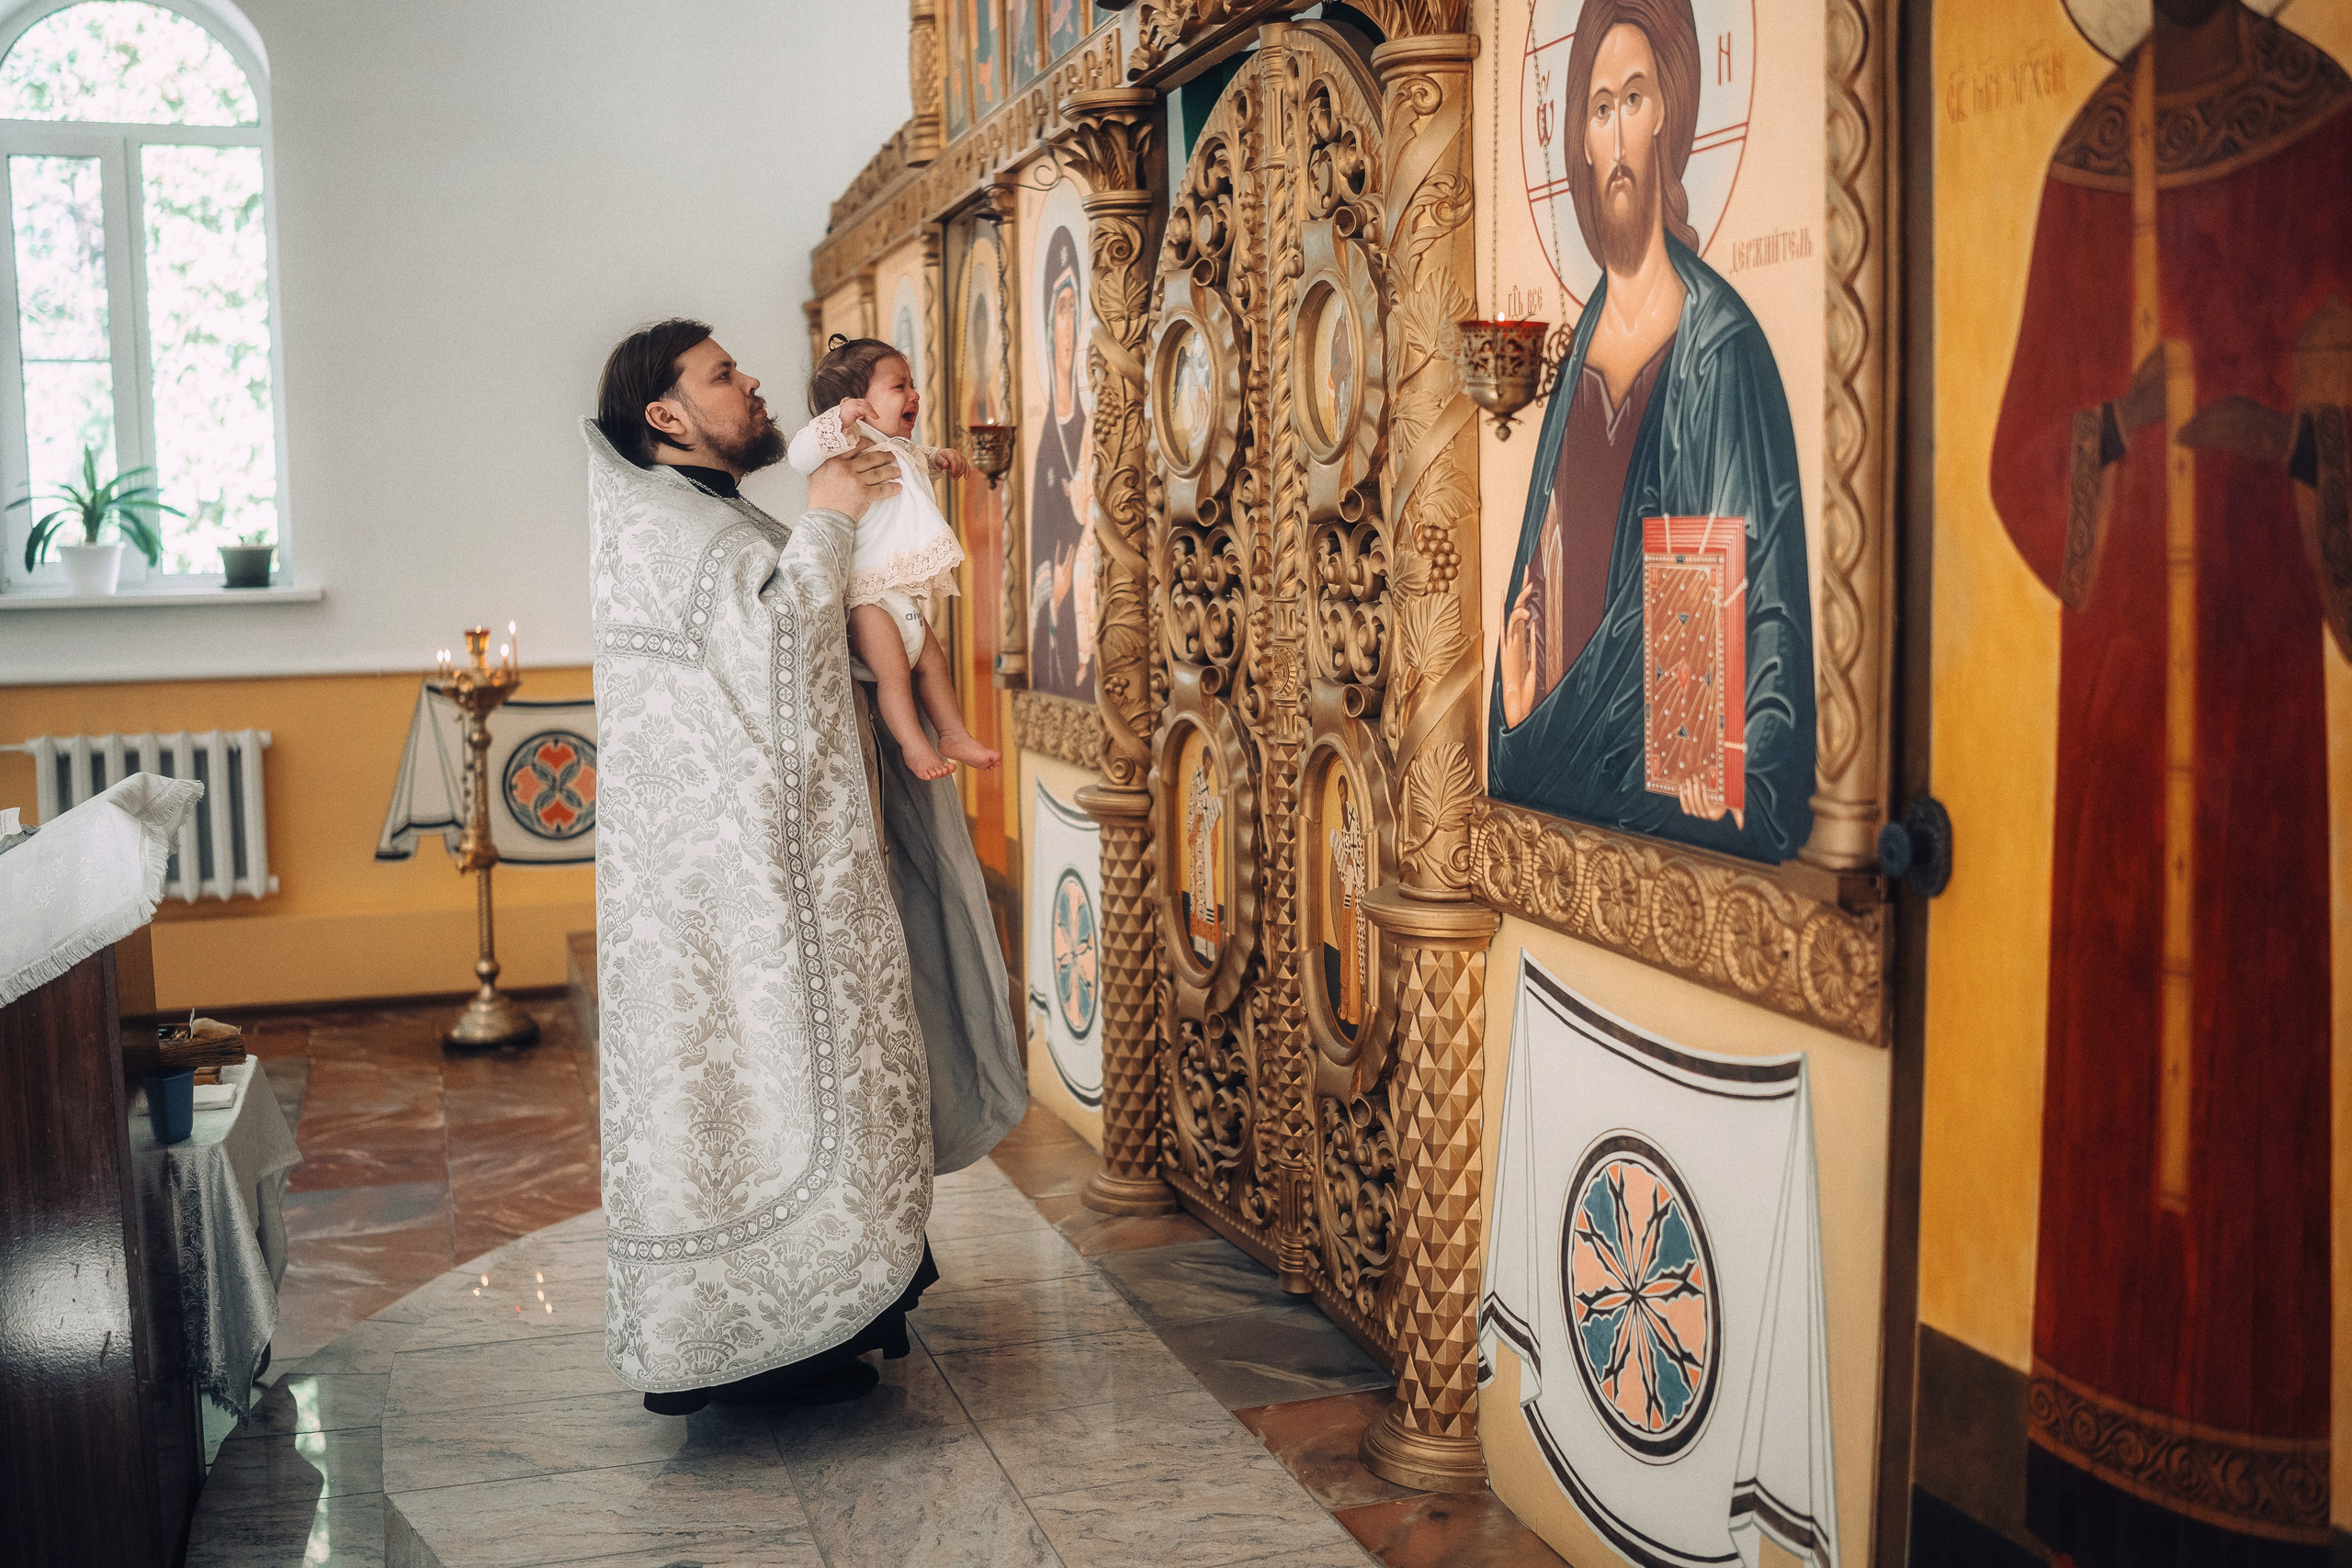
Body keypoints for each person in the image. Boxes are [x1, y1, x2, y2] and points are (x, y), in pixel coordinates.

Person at [1987, 2, 2346, 1555]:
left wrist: (2301, 446)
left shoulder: (2321, 119)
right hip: (2120, 723)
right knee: (2114, 1067)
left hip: (2263, 695)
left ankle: (2256, 1471)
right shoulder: (2089, 153)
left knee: (2259, 1051)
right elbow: (2023, 448)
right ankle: (2091, 1440)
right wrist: (2111, 429)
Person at [585, 319, 1026, 1416]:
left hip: (753, 875)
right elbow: (778, 656)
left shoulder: (698, 512)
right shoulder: (667, 525)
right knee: (761, 1080)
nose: (748, 383)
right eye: (722, 376)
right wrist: (829, 516)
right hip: (736, 894)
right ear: (667, 416)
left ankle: (832, 1308)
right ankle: (772, 1332)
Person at [1487, 0, 1814, 865]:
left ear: (1666, 112)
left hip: (1678, 816)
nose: (1619, 132)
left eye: (1635, 99)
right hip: (1557, 807)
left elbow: (1769, 628)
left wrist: (1732, 756)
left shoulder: (1724, 352)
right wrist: (1518, 715)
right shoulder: (1570, 366)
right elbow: (1543, 588)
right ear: (1582, 141)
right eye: (1601, 108)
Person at [788, 335, 1000, 781]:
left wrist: (939, 459)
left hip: (897, 593)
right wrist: (836, 420)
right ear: (856, 404)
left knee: (933, 663)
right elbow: (799, 455)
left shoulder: (901, 449)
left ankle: (953, 732)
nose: (914, 395)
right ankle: (913, 745)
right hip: (864, 598)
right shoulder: (851, 442)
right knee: (895, 673)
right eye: (899, 386)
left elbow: (916, 470)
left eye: (912, 385)